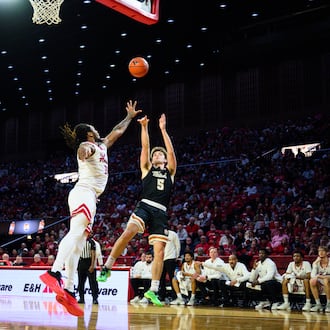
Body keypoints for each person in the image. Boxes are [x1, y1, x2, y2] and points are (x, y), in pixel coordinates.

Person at [39, 100, 141, 316]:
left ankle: (67, 289)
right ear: (89, 134)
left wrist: (129, 117)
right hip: (83, 193)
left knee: (78, 243)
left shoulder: (102, 145)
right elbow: (83, 150)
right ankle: (54, 272)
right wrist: (82, 152)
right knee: (75, 234)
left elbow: (118, 130)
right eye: (93, 129)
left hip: (89, 197)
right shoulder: (87, 146)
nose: (97, 129)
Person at [97, 113, 177, 307]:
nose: (158, 155)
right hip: (145, 205)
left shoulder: (170, 171)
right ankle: (108, 267)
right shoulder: (147, 168)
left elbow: (172, 153)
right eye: (156, 155)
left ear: (165, 160)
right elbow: (146, 147)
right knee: (128, 232)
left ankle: (153, 290)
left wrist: (164, 130)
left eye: (161, 155)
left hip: (161, 212)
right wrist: (144, 127)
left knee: (159, 252)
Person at [158, 230, 181, 302]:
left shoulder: (173, 234)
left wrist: (176, 256)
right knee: (161, 278)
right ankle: (162, 296)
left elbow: (178, 245)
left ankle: (174, 296)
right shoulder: (158, 234)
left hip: (171, 258)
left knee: (172, 278)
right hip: (161, 259)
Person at [77, 232, 99, 304]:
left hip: (89, 262)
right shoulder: (79, 241)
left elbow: (93, 254)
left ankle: (95, 298)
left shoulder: (91, 242)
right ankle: (81, 298)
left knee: (92, 282)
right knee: (80, 282)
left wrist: (92, 265)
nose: (90, 234)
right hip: (81, 262)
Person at [309, 246, 330, 312]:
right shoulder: (316, 262)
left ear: (327, 253)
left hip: (327, 280)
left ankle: (328, 304)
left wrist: (318, 276)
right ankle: (318, 304)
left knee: (326, 280)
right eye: (319, 251)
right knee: (312, 281)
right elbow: (312, 275)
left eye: (323, 251)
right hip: (322, 279)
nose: (320, 252)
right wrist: (315, 263)